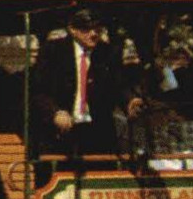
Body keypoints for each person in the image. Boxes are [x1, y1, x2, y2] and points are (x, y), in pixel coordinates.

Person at [29, 9, 142, 159]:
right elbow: (38, 90)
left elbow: (119, 85)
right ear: (72, 29)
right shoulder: (53, 51)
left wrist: (130, 101)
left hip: (97, 133)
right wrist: (55, 112)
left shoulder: (108, 53)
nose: (93, 34)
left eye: (97, 29)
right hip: (60, 133)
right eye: (86, 29)